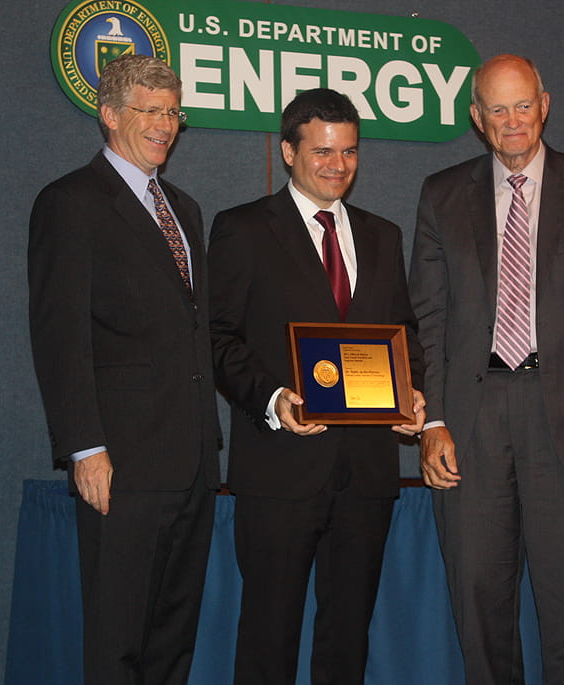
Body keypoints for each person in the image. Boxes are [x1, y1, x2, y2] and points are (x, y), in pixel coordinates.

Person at [408, 54, 564, 684]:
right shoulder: (441, 194)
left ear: (545, 105)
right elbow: (427, 321)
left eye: (523, 105)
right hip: (471, 426)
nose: (512, 120)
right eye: (497, 108)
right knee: (479, 610)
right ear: (476, 118)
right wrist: (432, 420)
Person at [207, 87, 426, 685]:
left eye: (349, 151)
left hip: (366, 472)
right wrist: (272, 398)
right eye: (322, 151)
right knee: (269, 637)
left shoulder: (383, 235)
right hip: (280, 468)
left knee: (347, 637)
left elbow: (403, 332)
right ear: (288, 152)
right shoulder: (243, 229)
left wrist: (411, 391)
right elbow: (218, 336)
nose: (338, 165)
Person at [28, 54, 221, 685]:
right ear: (109, 114)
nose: (166, 125)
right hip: (122, 465)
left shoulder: (185, 208)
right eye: (151, 111)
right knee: (117, 642)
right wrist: (85, 447)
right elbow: (59, 337)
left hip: (193, 462)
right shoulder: (70, 203)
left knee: (173, 640)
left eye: (174, 112)